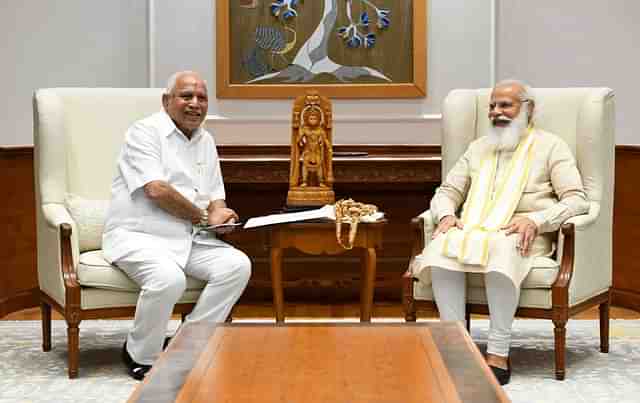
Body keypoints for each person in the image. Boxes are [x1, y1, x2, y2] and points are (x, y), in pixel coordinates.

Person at [413, 80, 589, 385]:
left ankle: (497, 353)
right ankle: (456, 347)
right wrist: (445, 216)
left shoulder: (551, 146)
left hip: (520, 236)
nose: (497, 112)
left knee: (502, 249)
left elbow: (577, 199)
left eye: (505, 105)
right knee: (443, 246)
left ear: (528, 110)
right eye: (493, 106)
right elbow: (448, 191)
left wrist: (535, 219)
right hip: (474, 229)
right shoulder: (478, 147)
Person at [102, 71, 251, 380]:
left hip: (187, 238)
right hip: (137, 236)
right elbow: (155, 190)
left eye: (202, 98)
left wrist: (222, 218)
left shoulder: (205, 139)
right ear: (166, 101)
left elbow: (215, 198)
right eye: (186, 96)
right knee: (169, 279)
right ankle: (139, 354)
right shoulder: (143, 132)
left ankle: (188, 344)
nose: (195, 104)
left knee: (236, 266)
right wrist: (203, 218)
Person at [298, 108, 330, 187]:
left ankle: (321, 182)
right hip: (307, 150)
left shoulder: (320, 130)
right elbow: (299, 139)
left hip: (317, 150)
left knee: (319, 166)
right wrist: (300, 140)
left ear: (318, 119)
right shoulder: (305, 129)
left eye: (315, 118)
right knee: (305, 166)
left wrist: (328, 146)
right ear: (307, 119)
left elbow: (325, 139)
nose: (313, 120)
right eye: (311, 118)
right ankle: (304, 181)